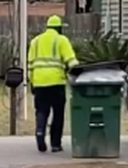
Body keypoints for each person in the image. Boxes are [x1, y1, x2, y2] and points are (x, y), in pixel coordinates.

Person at [28, 15, 79, 153]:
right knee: (58, 113)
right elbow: (72, 62)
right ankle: (55, 144)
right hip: (56, 82)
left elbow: (31, 65)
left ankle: (40, 133)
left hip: (39, 82)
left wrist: (32, 82)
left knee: (42, 110)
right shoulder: (61, 40)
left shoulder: (35, 42)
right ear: (59, 28)